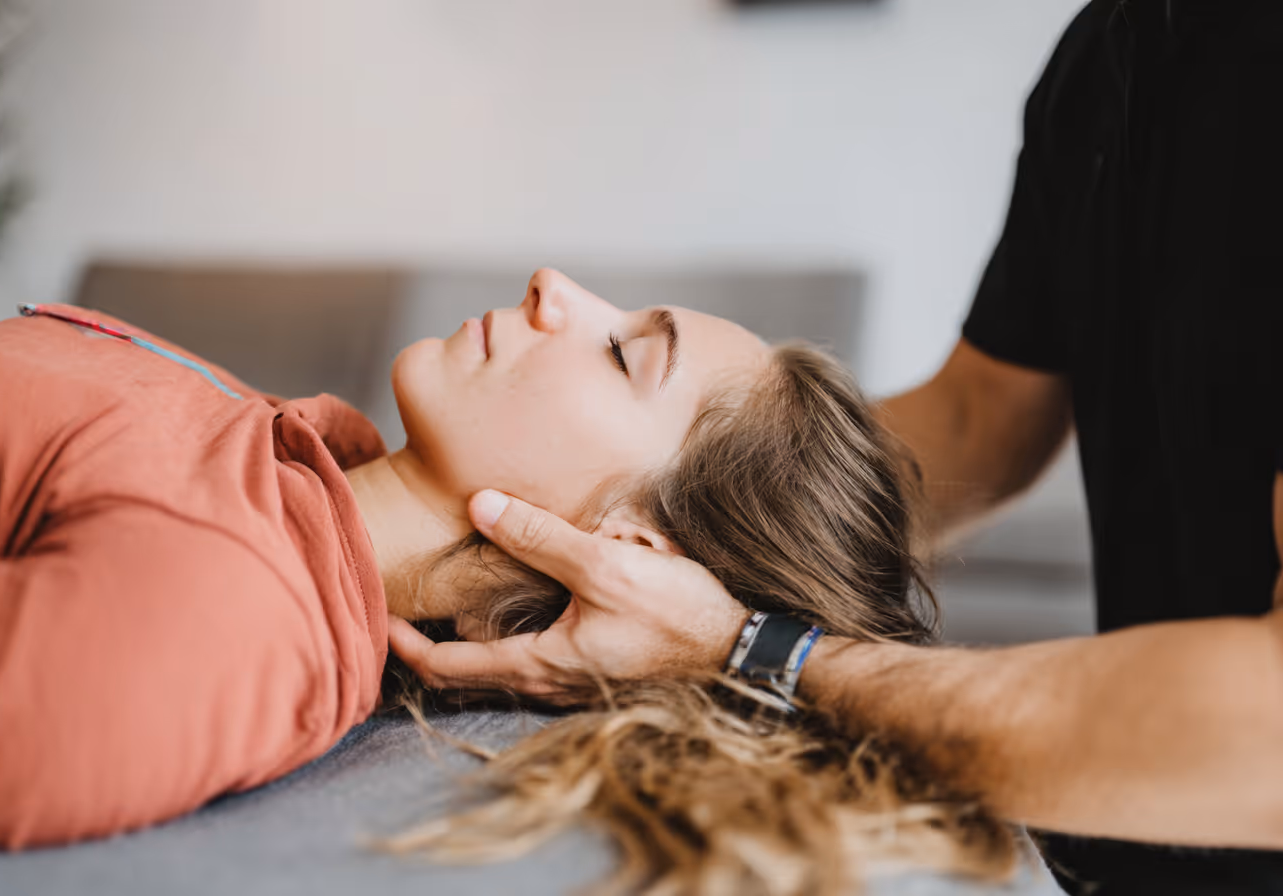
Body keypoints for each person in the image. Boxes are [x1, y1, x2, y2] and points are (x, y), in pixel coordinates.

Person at [387, 2, 1283, 894]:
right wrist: (704, 542)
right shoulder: (1119, 52)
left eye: (626, 353)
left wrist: (739, 640)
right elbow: (979, 421)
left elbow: (1264, 737)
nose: (551, 284)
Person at [0, 269, 1021, 892]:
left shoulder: (225, 611)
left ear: (629, 552)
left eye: (621, 353)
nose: (556, 286)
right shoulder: (278, 462)